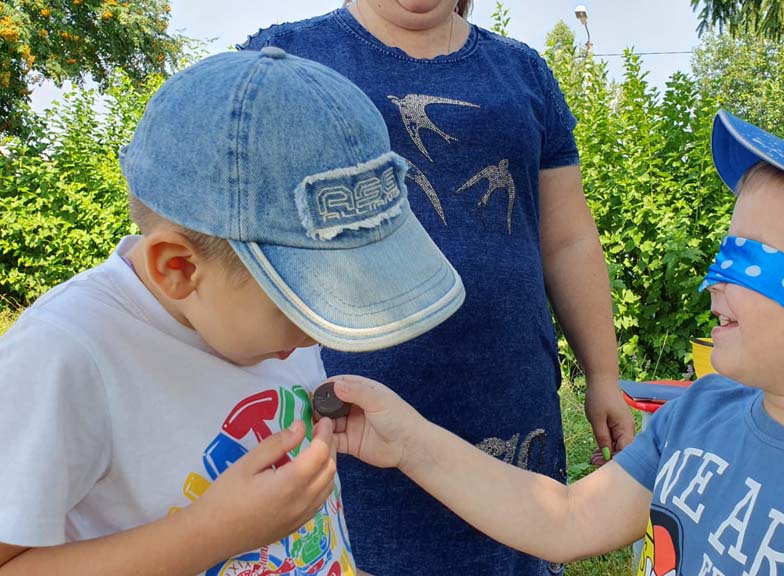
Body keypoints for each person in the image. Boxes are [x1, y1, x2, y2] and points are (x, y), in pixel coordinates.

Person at [321, 110, 784, 574]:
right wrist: (408, 441)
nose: (715, 278)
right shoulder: (702, 414)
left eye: (751, 257)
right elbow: (565, 519)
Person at [0, 48, 464, 575]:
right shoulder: (62, 355)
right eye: (297, 305)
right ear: (178, 267)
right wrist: (209, 534)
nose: (318, 336)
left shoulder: (250, 321)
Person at [239, 2, 633, 574]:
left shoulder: (523, 72)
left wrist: (602, 376)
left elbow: (568, 240)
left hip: (509, 400)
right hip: (346, 411)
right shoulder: (282, 57)